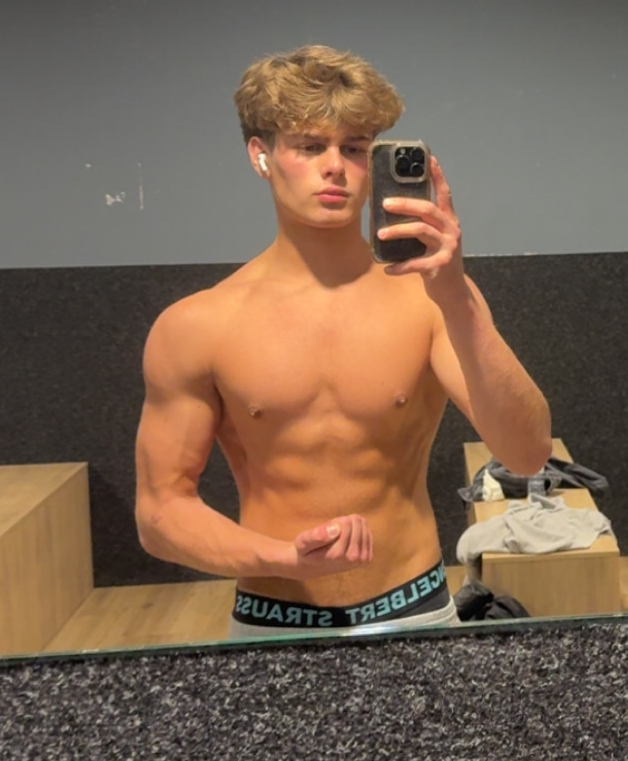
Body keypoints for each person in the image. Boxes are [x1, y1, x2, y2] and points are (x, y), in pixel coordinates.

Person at [135, 44, 552, 637]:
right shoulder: (199, 324)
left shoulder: (431, 301)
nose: (334, 167)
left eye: (354, 148)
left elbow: (528, 454)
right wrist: (284, 558)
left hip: (413, 609)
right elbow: (160, 512)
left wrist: (457, 300)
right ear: (261, 155)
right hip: (273, 618)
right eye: (309, 147)